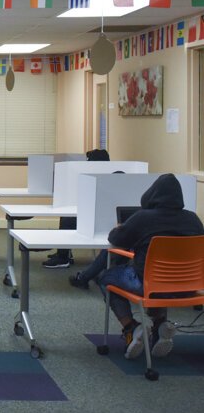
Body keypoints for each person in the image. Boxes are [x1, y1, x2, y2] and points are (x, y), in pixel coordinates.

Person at [99, 174, 204, 360]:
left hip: (148, 286)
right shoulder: (193, 219)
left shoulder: (143, 218)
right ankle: (160, 325)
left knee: (107, 277)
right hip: (187, 288)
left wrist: (120, 227)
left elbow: (115, 239)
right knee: (162, 280)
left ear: (152, 195)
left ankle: (132, 328)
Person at [43, 148, 111, 269]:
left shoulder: (101, 177)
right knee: (66, 217)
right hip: (99, 216)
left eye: (89, 160)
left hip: (98, 219)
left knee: (67, 220)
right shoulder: (108, 175)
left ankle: (63, 257)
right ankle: (63, 252)